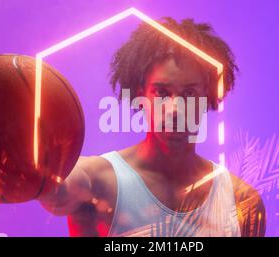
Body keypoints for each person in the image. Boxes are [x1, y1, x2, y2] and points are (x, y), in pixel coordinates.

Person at [38, 17, 266, 237]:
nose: (175, 108)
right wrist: (37, 167)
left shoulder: (240, 201)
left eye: (189, 93)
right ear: (141, 95)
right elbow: (59, 188)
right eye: (162, 93)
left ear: (207, 97)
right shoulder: (98, 179)